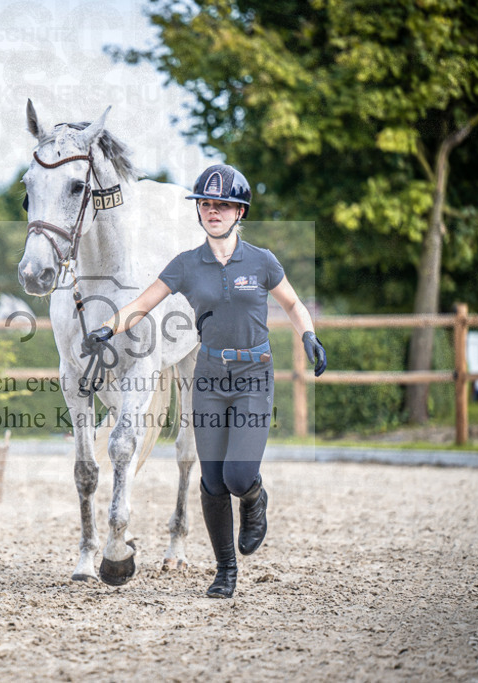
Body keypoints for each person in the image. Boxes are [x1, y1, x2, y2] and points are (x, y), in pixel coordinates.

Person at [82, 164, 326, 599]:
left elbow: (291, 302)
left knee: (237, 475)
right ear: (200, 213)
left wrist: (309, 335)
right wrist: (107, 327)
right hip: (209, 377)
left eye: (223, 205)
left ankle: (254, 499)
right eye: (207, 205)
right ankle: (225, 571)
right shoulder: (185, 265)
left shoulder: (262, 261)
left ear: (239, 212)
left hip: (253, 375)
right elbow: (142, 303)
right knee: (212, 481)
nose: (214, 212)